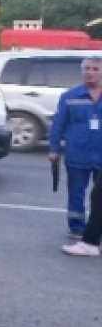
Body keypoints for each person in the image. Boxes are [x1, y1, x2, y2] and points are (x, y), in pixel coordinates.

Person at [48, 56, 102, 241]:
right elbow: (58, 124)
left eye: (95, 69)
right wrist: (53, 149)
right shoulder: (70, 96)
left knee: (99, 197)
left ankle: (96, 228)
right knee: (76, 194)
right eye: (87, 69)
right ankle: (77, 228)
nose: (90, 72)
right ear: (82, 72)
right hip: (77, 155)